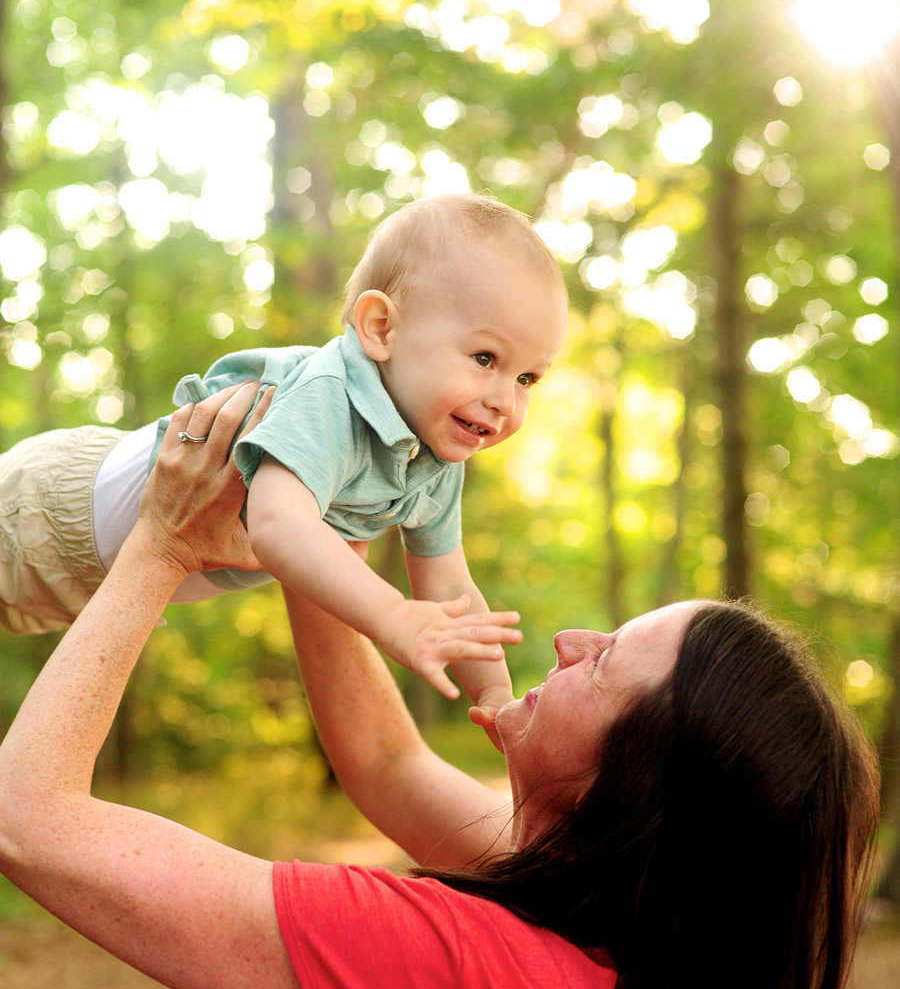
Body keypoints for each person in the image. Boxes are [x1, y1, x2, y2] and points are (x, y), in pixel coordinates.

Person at [0, 385, 879, 989]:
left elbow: (27, 821)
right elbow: (390, 767)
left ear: (637, 787)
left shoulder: (452, 970)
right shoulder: (631, 953)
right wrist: (317, 523)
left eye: (605, 659)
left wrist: (162, 541)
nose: (571, 638)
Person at [0, 193, 568, 724]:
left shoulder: (433, 463)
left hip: (85, 586)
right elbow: (277, 523)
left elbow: (448, 585)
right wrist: (392, 616)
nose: (504, 400)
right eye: (484, 357)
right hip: (44, 511)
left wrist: (494, 693)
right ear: (380, 328)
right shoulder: (332, 395)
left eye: (526, 378)